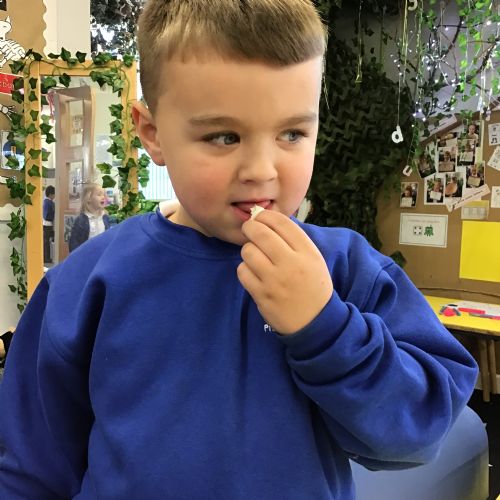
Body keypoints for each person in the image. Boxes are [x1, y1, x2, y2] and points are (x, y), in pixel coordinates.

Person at [0, 1, 478, 499]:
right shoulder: (85, 284)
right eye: (224, 136)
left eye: (292, 133)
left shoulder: (347, 270)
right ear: (152, 134)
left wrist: (327, 329)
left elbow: (419, 432)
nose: (261, 170)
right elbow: (31, 470)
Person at [68, 182, 112, 252]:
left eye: (104, 194)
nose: (103, 197)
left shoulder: (105, 218)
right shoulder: (81, 220)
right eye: (99, 194)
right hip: (86, 255)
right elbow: (74, 243)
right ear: (88, 199)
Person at [42, 185, 55, 263]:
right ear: (50, 194)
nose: (54, 196)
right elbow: (47, 216)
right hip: (48, 224)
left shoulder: (45, 202)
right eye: (54, 194)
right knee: (47, 243)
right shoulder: (49, 203)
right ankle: (47, 259)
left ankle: (45, 258)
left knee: (46, 242)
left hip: (45, 224)